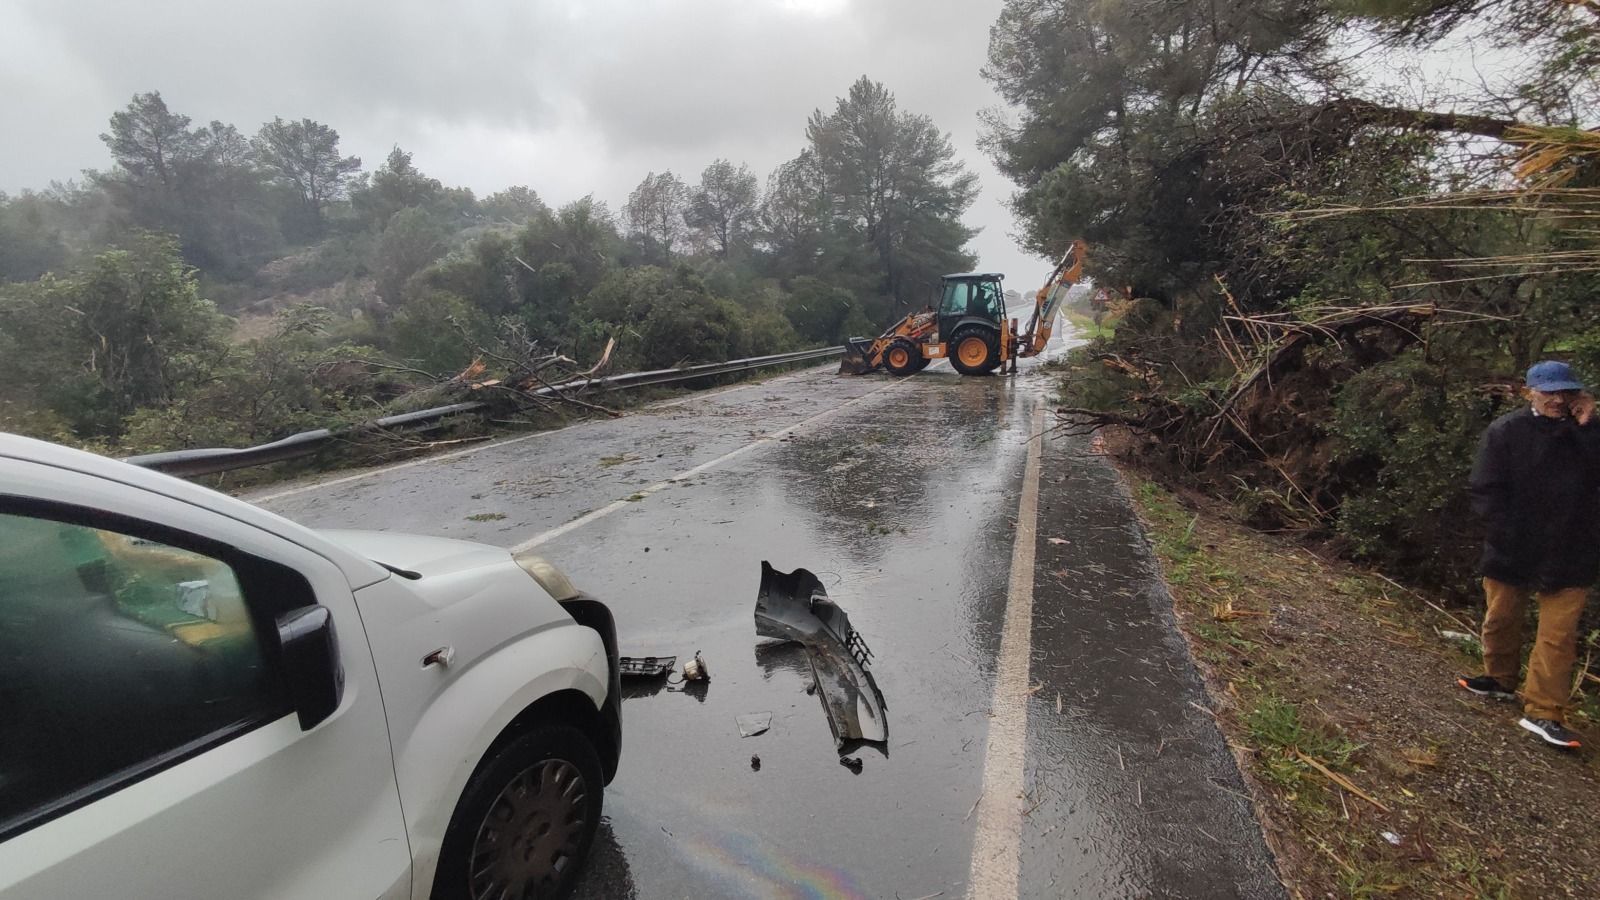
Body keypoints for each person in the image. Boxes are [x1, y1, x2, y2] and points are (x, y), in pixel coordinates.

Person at [1459, 360, 1599, 749]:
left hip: (1572, 549)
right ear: (1529, 392)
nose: (1557, 399)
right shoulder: (1506, 431)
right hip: (1514, 544)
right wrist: (1504, 529)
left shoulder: (1589, 433)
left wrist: (1587, 427)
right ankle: (1499, 679)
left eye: (1565, 392)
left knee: (1558, 637)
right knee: (1501, 617)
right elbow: (1485, 487)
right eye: (1549, 391)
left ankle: (1544, 712)